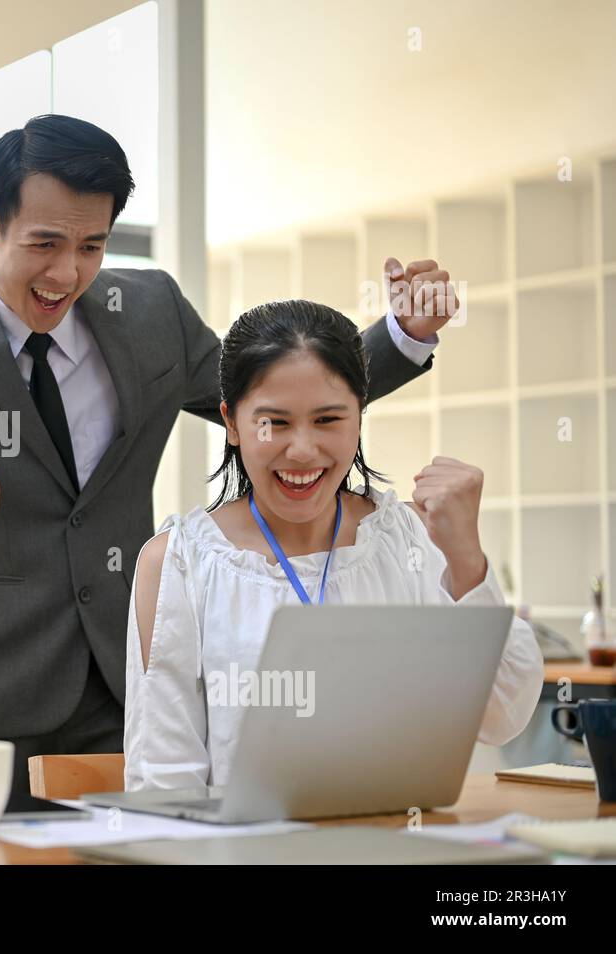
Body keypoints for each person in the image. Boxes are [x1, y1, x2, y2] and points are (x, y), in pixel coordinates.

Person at [0, 113, 458, 799]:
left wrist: (404, 335)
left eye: (92, 245)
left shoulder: (149, 313)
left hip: (128, 687)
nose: (68, 272)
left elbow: (278, 403)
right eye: (46, 243)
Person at [123, 299, 543, 791]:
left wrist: (466, 558)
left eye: (327, 420)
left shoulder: (407, 540)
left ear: (359, 418)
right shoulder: (180, 563)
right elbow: (164, 781)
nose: (302, 450)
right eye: (274, 423)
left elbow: (501, 714)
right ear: (231, 423)